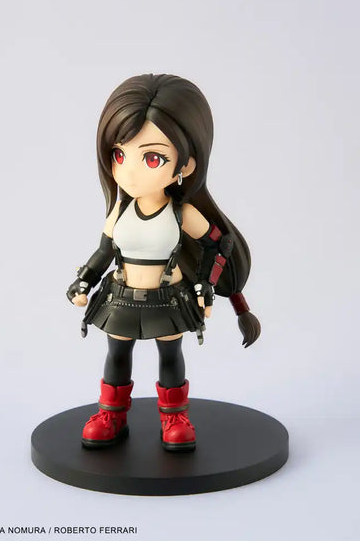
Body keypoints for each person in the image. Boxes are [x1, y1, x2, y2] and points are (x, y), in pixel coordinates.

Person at [67, 74, 260, 452]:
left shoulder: (181, 213)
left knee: (170, 355)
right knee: (117, 354)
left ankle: (174, 417)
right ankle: (111, 414)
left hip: (168, 298)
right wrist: (84, 280)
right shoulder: (120, 212)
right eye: (119, 155)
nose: (130, 171)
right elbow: (103, 252)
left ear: (186, 164)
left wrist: (205, 284)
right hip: (121, 296)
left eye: (152, 158)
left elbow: (217, 245)